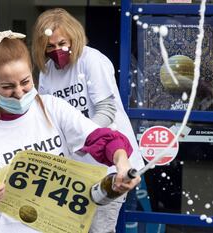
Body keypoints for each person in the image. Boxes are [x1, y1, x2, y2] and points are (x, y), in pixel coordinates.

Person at [0, 30, 141, 233]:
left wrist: (122, 163)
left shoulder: (53, 109)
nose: (19, 93)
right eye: (8, 86)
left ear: (32, 73)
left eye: (25, 82)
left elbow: (104, 139)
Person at [31, 8, 145, 233]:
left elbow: (106, 110)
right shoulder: (47, 72)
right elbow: (46, 117)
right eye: (50, 46)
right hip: (73, 169)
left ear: (74, 37)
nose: (57, 51)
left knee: (99, 228)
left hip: (109, 165)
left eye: (62, 43)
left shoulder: (91, 60)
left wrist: (85, 139)